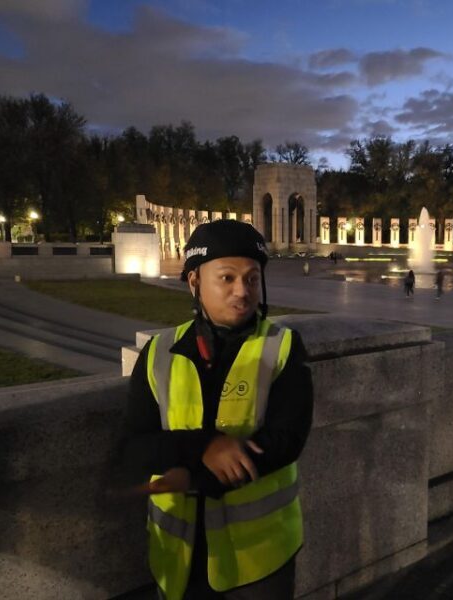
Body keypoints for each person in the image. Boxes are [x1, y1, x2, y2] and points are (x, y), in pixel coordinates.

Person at [121, 219, 314, 600]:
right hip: (179, 558)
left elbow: (285, 441)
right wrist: (205, 447)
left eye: (252, 279)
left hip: (258, 562)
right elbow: (133, 448)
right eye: (226, 278)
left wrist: (195, 475)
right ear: (194, 281)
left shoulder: (283, 346)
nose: (242, 292)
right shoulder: (159, 353)